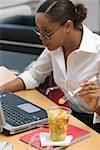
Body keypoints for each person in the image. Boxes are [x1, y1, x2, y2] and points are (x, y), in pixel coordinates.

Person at [0, 0, 100, 133]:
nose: (41, 37)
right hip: (72, 118)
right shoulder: (55, 47)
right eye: (39, 31)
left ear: (68, 26)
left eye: (46, 31)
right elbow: (34, 75)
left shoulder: (97, 51)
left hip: (95, 120)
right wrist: (1, 90)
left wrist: (96, 105)